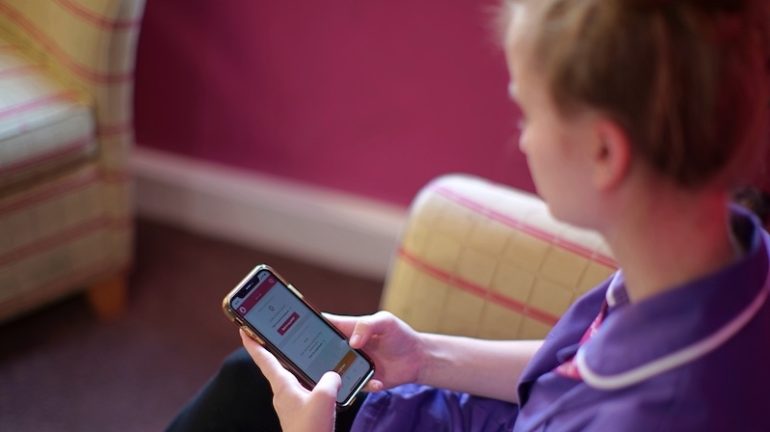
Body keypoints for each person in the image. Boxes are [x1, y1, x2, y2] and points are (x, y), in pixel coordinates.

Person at [168, 0, 770, 430]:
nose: (524, 140)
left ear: (605, 153)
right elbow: (577, 366)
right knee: (248, 383)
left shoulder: (654, 414)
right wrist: (424, 357)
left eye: (527, 114)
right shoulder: (720, 262)